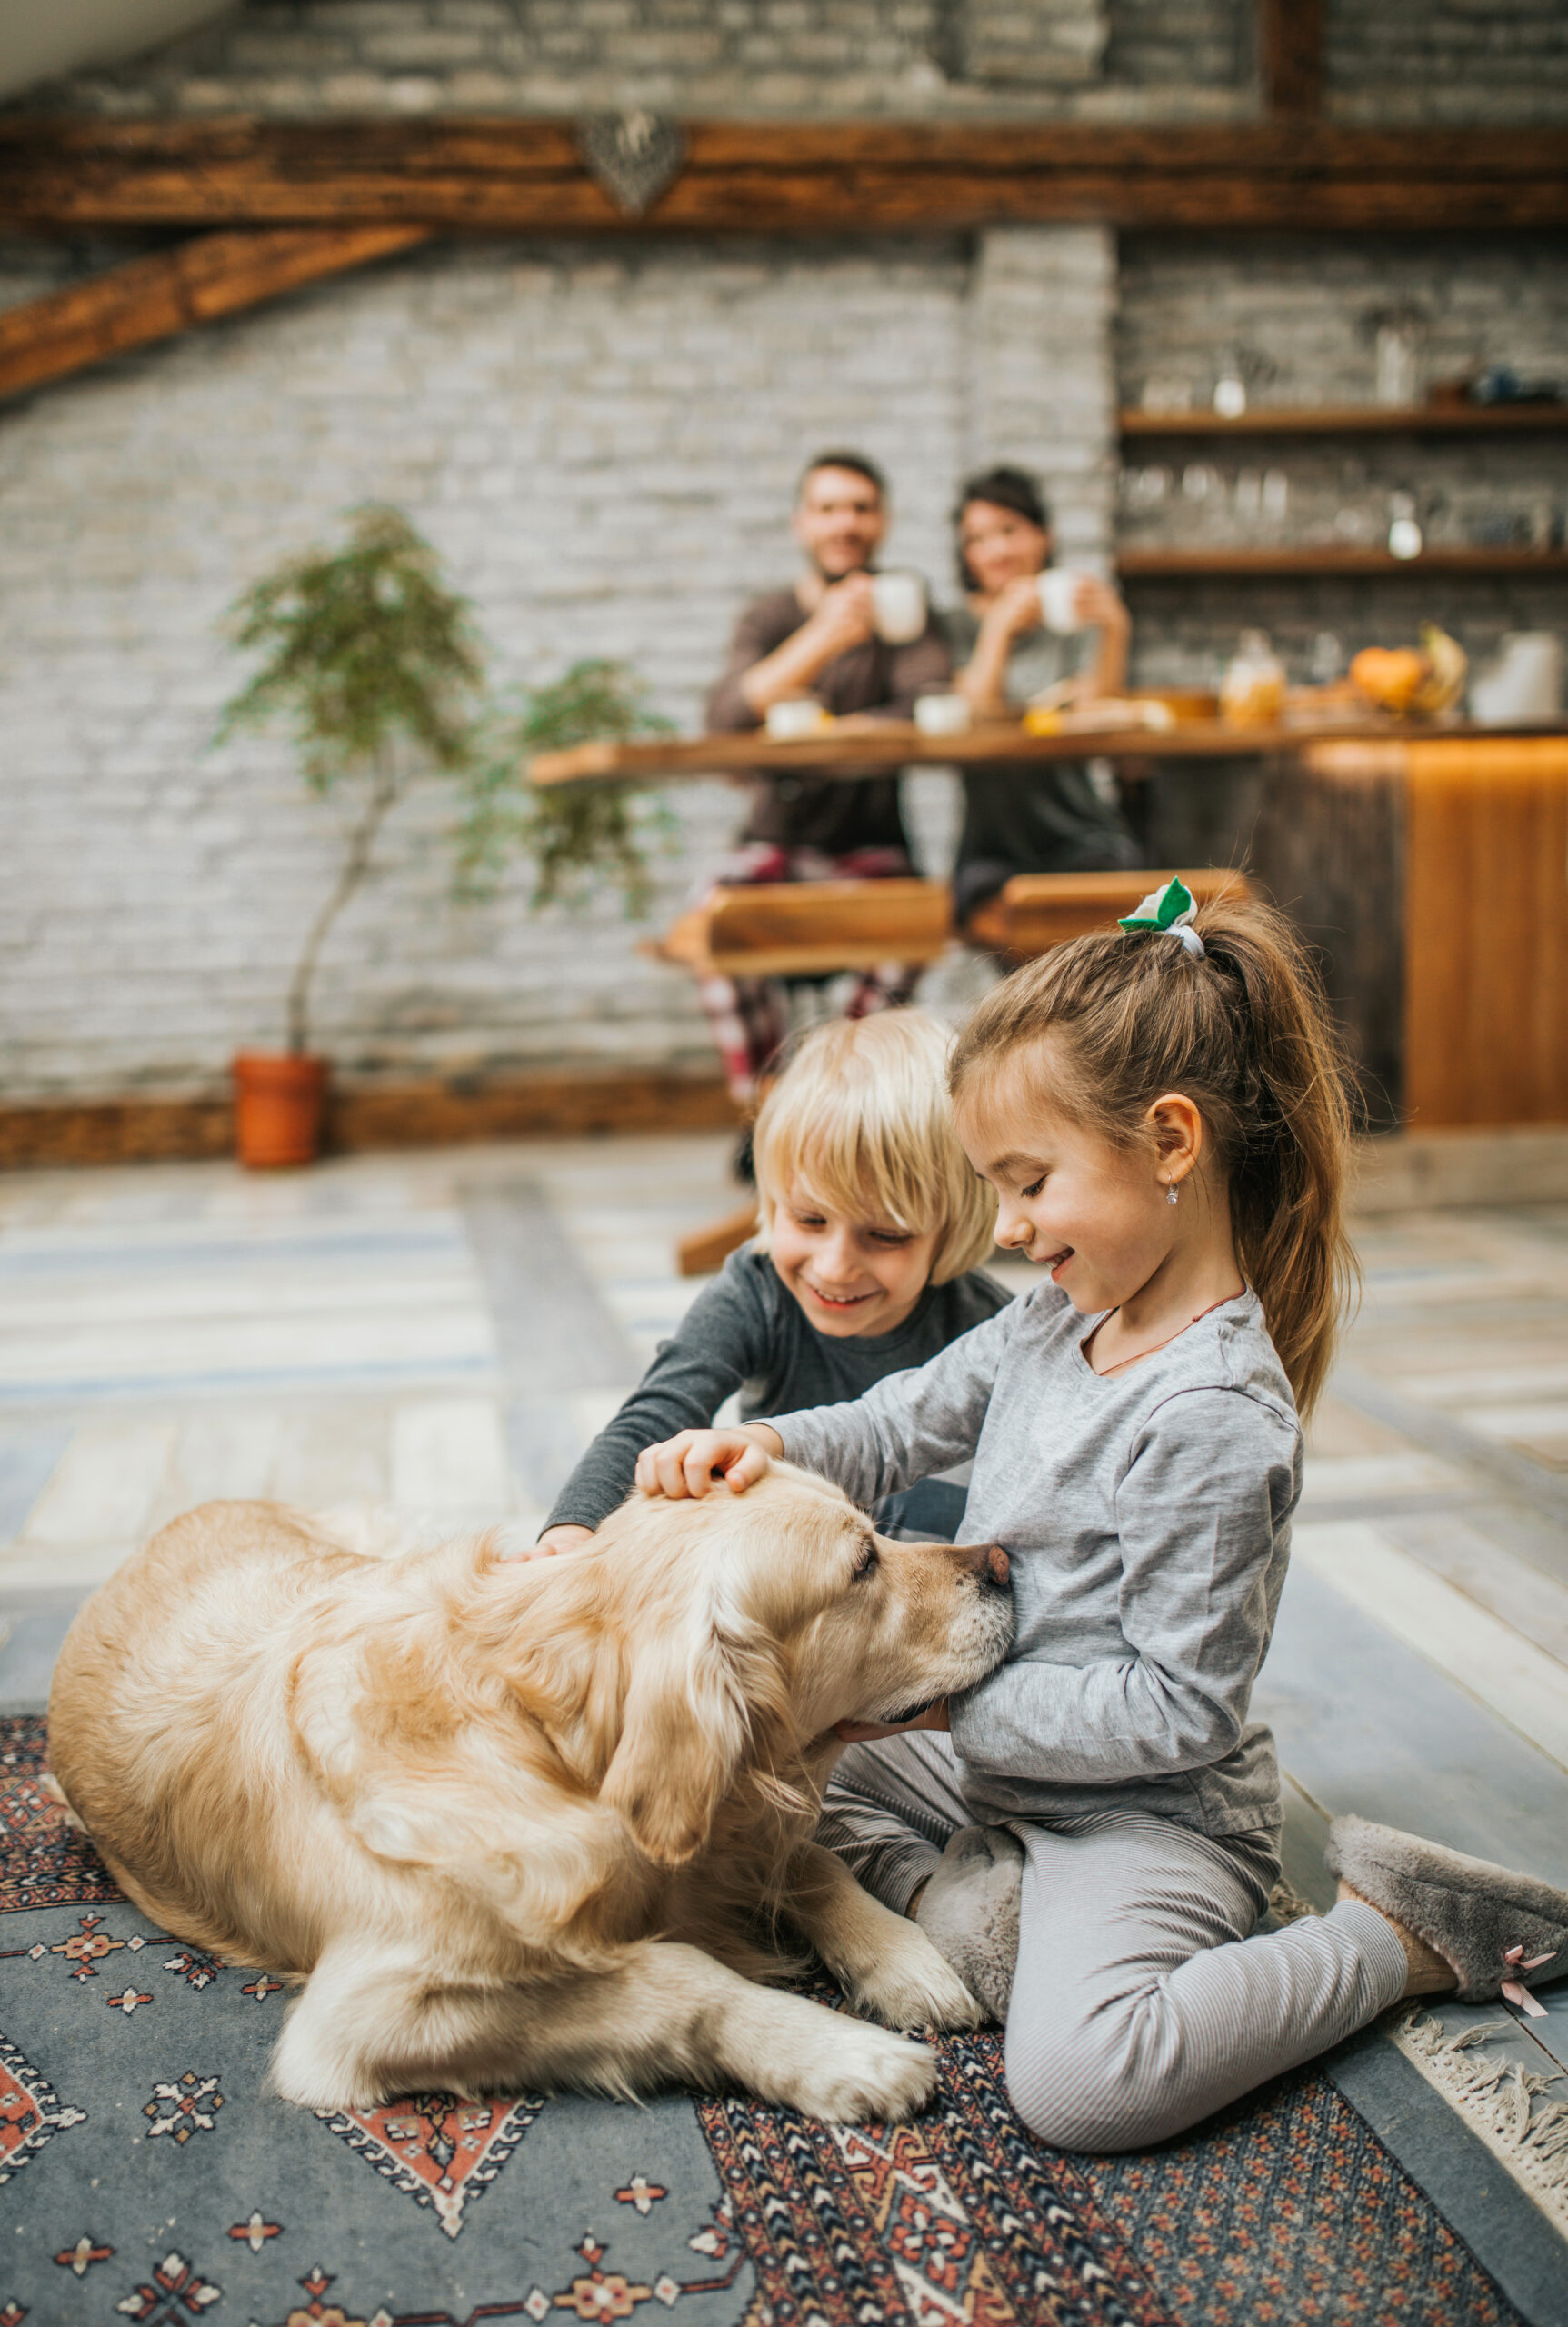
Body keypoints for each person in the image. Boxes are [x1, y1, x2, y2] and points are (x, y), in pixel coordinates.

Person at [630, 881, 1568, 2150]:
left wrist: (947, 1704)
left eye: (1026, 1182)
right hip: (1000, 1762)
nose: (1005, 1228)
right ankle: (988, 1908)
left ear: (1172, 1143)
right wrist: (760, 1441)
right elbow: (898, 1422)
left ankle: (1394, 1934)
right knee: (773, 1775)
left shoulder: (1214, 1415)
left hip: (1146, 1806)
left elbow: (1178, 1711)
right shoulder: (1052, 1316)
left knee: (1085, 2087)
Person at [529, 1008, 1010, 1558]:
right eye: (809, 1220)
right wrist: (571, 1532)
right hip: (788, 1556)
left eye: (884, 1235)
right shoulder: (754, 1290)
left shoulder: (991, 1325)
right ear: (772, 1199)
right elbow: (656, 1415)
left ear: (951, 1231)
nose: (834, 1266)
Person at [701, 453, 951, 1104]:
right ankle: (765, 1109)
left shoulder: (906, 612)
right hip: (775, 845)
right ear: (800, 524)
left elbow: (927, 708)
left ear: (883, 522)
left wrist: (810, 737)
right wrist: (825, 634)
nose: (846, 522)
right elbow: (724, 720)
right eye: (829, 508)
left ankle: (825, 1103)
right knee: (712, 923)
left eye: (861, 509)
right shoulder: (771, 618)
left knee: (913, 923)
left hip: (871, 849)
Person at [944, 465, 1141, 929]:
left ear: (1043, 537)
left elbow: (1099, 713)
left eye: (1009, 531)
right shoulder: (953, 626)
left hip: (1081, 834)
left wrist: (1115, 628)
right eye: (978, 540)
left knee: (1123, 909)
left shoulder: (1069, 624)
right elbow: (973, 713)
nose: (996, 550)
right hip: (991, 848)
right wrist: (997, 629)